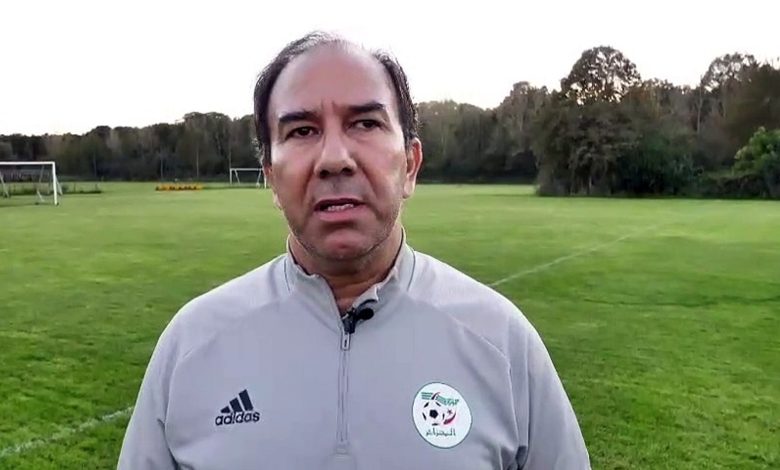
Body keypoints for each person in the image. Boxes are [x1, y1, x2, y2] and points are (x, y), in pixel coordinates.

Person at [117, 31, 590, 469]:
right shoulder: (192, 345)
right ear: (271, 177)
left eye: (365, 123)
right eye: (302, 131)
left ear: (410, 165)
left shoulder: (501, 342)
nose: (334, 159)